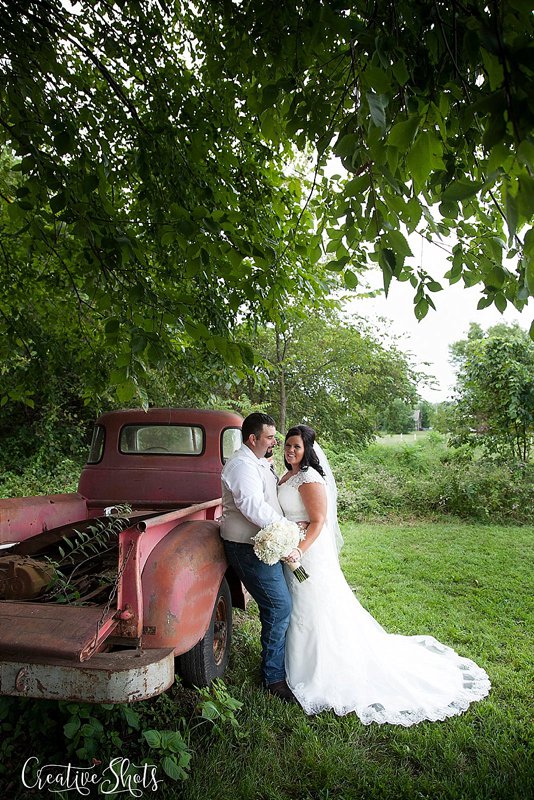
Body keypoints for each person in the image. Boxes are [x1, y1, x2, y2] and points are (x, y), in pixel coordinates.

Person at [278, 424, 491, 724]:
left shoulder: (309, 478)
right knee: (297, 607)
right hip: (289, 547)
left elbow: (318, 521)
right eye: (287, 445)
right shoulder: (286, 475)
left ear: (307, 450)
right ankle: (292, 663)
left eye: (296, 447)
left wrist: (299, 549)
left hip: (307, 554)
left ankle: (320, 669)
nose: (290, 451)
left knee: (312, 608)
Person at [219, 412, 298, 702]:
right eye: (269, 437)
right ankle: (273, 677)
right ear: (253, 438)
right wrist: (285, 529)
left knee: (278, 605)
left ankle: (276, 664)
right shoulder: (241, 465)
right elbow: (251, 505)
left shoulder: (255, 461)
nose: (274, 442)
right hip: (246, 546)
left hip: (264, 542)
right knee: (279, 606)